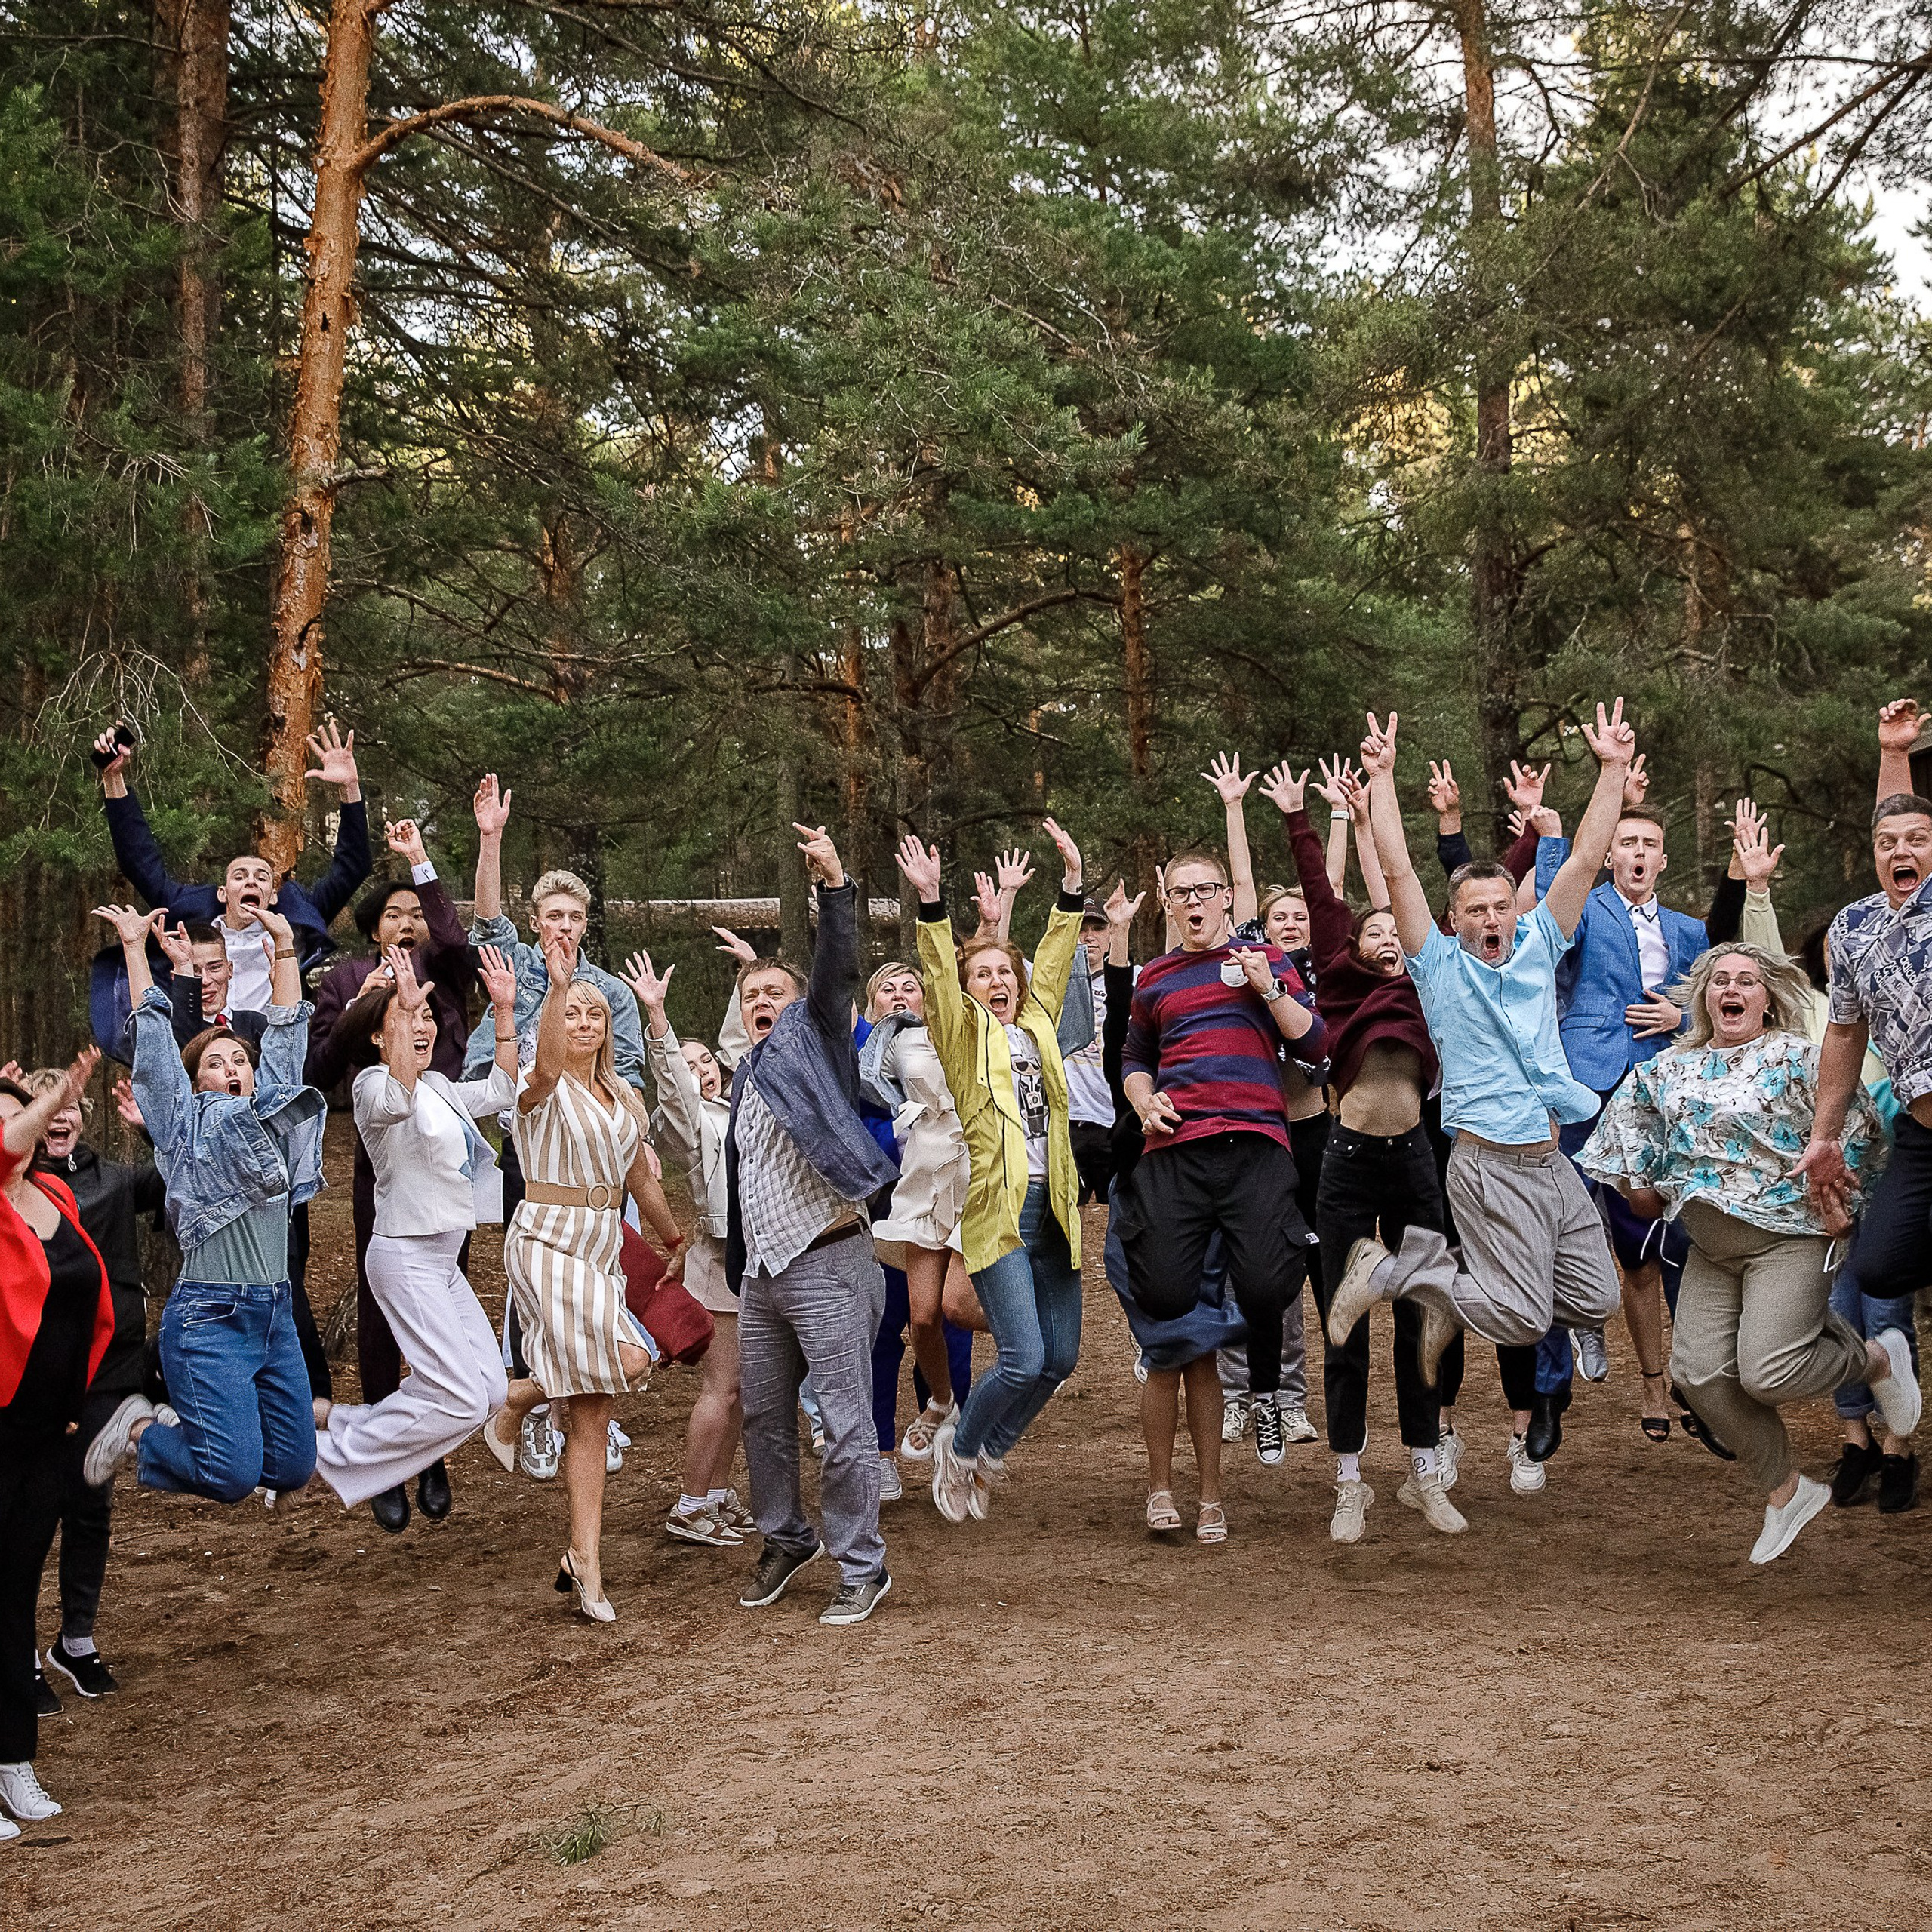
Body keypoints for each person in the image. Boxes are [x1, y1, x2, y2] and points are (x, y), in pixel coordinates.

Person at [1327, 704, 1630, 1410]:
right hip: (1490, 1166)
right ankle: (1392, 1272)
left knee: (1599, 1296)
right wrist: (1382, 779)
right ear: (1455, 918)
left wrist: (1611, 770)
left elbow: (1586, 856)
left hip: (1554, 1161)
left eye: (1500, 907)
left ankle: (1458, 1287)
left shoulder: (1541, 942)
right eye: (1477, 910)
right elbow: (1399, 872)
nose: (1492, 919)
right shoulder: (1435, 968)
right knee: (1523, 1320)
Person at [1582, 943, 1917, 1561]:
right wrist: (1640, 1188)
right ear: (1705, 997)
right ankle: (1787, 1490)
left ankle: (1875, 1360)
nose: (1731, 989)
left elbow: (1865, 1132)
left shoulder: (1796, 1058)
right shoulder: (1664, 1071)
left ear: (1768, 998)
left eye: (1746, 981)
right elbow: (1633, 1173)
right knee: (1698, 1375)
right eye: (1720, 981)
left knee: (1766, 1373)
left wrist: (1850, 1204)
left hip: (1790, 1238)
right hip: (1711, 1247)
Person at [1257, 759, 1469, 1539]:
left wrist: (1384, 794)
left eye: (1394, 929)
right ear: (1351, 942)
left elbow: (1426, 884)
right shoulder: (1340, 987)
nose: (1385, 933)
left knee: (1422, 1321)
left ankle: (1421, 1470)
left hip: (1414, 1162)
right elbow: (1320, 891)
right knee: (1345, 1327)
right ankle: (1349, 1479)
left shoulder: (1429, 983)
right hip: (1345, 1164)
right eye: (1371, 927)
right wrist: (1299, 821)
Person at [81, 903, 327, 1506]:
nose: (232, 1067)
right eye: (216, 1064)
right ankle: (138, 1428)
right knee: (233, 1477)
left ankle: (203, 1435)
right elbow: (158, 1046)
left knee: (292, 1467)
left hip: (273, 1315)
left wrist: (288, 950)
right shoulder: (183, 1125)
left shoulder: (273, 1116)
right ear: (197, 1085)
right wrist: (137, 951)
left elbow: (289, 1035)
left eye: (240, 1058)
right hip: (209, 1317)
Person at [1110, 834, 1327, 1475]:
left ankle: (1264, 1391)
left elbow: (1315, 1045)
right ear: (1170, 906)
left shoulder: (1267, 958)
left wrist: (1269, 989)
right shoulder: (1155, 976)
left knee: (1267, 1286)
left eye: (1207, 890)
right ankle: (1190, 1342)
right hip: (1175, 1145)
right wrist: (1145, 1100)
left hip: (1257, 1141)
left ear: (1227, 897)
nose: (1196, 901)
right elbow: (1132, 1059)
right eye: (1183, 893)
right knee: (1168, 1292)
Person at [479, 947, 682, 1621]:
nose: (585, 1022)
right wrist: (556, 986)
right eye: (573, 1013)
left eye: (594, 1013)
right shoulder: (541, 1088)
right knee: (627, 1358)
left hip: (601, 1246)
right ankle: (516, 1398)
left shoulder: (622, 1094)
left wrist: (672, 1236)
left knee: (593, 1408)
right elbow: (537, 1065)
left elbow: (639, 1179)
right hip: (545, 1237)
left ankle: (584, 1559)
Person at [729, 825, 899, 1626]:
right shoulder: (742, 1076)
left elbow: (835, 971)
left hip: (830, 1255)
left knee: (842, 1419)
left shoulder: (818, 1039)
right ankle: (786, 1537)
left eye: (774, 993)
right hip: (763, 1272)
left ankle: (861, 1563)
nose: (762, 1002)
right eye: (750, 995)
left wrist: (833, 885)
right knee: (762, 1414)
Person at [900, 820, 1091, 1527]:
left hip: (1058, 1209)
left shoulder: (1037, 1022)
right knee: (1021, 1357)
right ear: (967, 987)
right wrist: (931, 903)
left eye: (1004, 971)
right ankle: (963, 1444)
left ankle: (987, 1451)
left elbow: (1055, 956)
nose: (998, 981)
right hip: (999, 1212)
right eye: (982, 974)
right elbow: (939, 974)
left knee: (1062, 1358)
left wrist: (1072, 883)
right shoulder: (959, 1032)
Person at [464, 774, 644, 1481]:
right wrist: (491, 839)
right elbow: (484, 921)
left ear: (584, 924)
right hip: (533, 1158)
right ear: (536, 923)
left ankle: (594, 1412)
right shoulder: (517, 976)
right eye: (553, 916)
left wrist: (640, 1153)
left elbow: (625, 1076)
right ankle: (538, 1415)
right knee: (535, 1295)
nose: (564, 927)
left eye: (574, 917)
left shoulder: (613, 995)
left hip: (597, 1161)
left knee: (602, 1285)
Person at [305, 815, 478, 1531]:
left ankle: (428, 1453)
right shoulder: (347, 977)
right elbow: (319, 1067)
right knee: (384, 1311)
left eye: (416, 914)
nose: (407, 923)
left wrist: (423, 865)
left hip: (454, 1152)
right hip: (385, 1153)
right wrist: (362, 1003)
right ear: (374, 928)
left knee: (446, 1296)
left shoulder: (445, 971)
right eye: (393, 914)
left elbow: (463, 946)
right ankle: (384, 1449)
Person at [312, 946, 518, 1516]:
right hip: (403, 1257)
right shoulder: (372, 1087)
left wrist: (503, 1013)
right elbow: (398, 1097)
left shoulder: (443, 1088)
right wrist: (398, 1010)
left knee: (491, 1393)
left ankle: (341, 1434)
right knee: (454, 1396)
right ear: (379, 1038)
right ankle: (333, 1445)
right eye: (405, 1020)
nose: (422, 1025)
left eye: (426, 1017)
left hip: (442, 1262)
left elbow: (502, 1090)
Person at [1534, 767, 1709, 1440]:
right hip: (1587, 1085)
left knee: (1666, 1242)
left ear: (1663, 859)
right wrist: (1556, 846)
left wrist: (1681, 1018)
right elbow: (1555, 919)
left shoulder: (1690, 931)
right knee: (1556, 1229)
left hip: (1659, 1094)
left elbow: (1717, 1007)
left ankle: (1678, 1384)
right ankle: (1550, 1390)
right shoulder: (1591, 911)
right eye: (1626, 841)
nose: (1637, 853)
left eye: (1648, 844)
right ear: (1610, 854)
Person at [1795, 701, 1932, 1516]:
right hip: (1917, 1135)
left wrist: (1897, 760)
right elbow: (1842, 1040)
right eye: (1886, 843)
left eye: (1917, 841)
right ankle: (1884, 1387)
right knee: (1876, 1268)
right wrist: (1821, 1137)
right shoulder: (1850, 930)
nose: (1900, 850)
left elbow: (1906, 821)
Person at [1092, 879, 1241, 1541]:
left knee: (1203, 1356)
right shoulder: (1134, 1058)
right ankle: (1160, 1491)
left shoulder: (1222, 1019)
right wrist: (1123, 938)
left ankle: (1210, 1497)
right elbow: (1121, 1021)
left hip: (1207, 1194)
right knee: (1164, 1352)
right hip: (1147, 1204)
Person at [15, 1066, 162, 1706]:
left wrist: (156, 1125)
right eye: (45, 1106)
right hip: (44, 1375)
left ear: (85, 1119)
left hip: (114, 1370)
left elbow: (178, 1177)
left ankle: (76, 1641)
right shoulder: (19, 1191)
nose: (60, 1117)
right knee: (32, 1512)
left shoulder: (114, 1182)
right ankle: (18, 1654)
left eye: (69, 1105)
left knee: (90, 1504)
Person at [0, 1051, 113, 1841]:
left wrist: (75, 1399)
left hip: (45, 1434)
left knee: (12, 1598)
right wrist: (57, 1092)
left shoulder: (56, 1194)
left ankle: (12, 1758)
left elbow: (83, 1304)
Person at [90, 717, 370, 1017]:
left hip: (268, 1050)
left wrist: (350, 788)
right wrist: (113, 780)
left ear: (273, 896)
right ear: (223, 894)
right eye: (240, 876)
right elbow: (138, 860)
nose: (251, 882)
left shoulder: (295, 925)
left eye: (262, 878)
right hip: (200, 1049)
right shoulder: (189, 919)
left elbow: (351, 868)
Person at [1209, 751, 1327, 1451]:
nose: (1285, 923)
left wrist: (1336, 817)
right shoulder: (1247, 960)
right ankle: (1235, 1396)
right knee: (1240, 1269)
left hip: (1310, 1131)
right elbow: (1242, 886)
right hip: (1249, 1134)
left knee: (1296, 1272)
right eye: (1274, 916)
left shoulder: (1321, 972)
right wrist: (1233, 808)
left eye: (1298, 915)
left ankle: (1289, 1395)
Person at [625, 949, 752, 1549]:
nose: (698, 1069)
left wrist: (747, 975)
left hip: (755, 1259)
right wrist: (658, 1021)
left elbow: (745, 1045)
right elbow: (674, 1088)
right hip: (721, 1260)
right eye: (688, 1061)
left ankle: (719, 1495)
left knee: (743, 1391)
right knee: (722, 1387)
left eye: (707, 1061)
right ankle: (690, 1503)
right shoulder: (691, 1121)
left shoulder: (738, 1104)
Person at [854, 961, 975, 1500]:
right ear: (871, 1005)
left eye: (911, 988)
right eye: (888, 988)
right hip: (883, 1214)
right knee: (883, 1337)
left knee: (948, 1331)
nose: (900, 996)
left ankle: (953, 1440)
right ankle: (880, 1453)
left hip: (946, 1212)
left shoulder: (946, 1052)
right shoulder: (859, 1062)